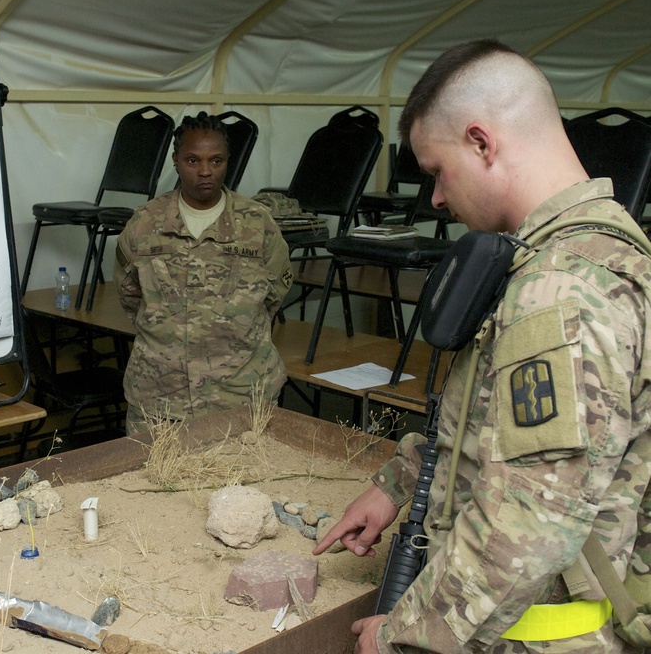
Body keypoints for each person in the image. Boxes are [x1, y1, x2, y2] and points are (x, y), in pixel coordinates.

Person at [313, 39, 651, 653]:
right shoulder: (558, 260)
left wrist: (403, 635)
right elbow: (497, 426)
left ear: (481, 141)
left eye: (438, 172)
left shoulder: (562, 289)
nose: (437, 198)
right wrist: (398, 485)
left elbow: (532, 519)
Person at [114, 112, 293, 434]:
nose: (206, 171)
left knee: (245, 484)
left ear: (228, 161)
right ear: (176, 161)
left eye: (216, 160)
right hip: (160, 398)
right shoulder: (143, 225)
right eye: (193, 160)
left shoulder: (257, 223)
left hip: (242, 395)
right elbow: (130, 296)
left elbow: (274, 295)